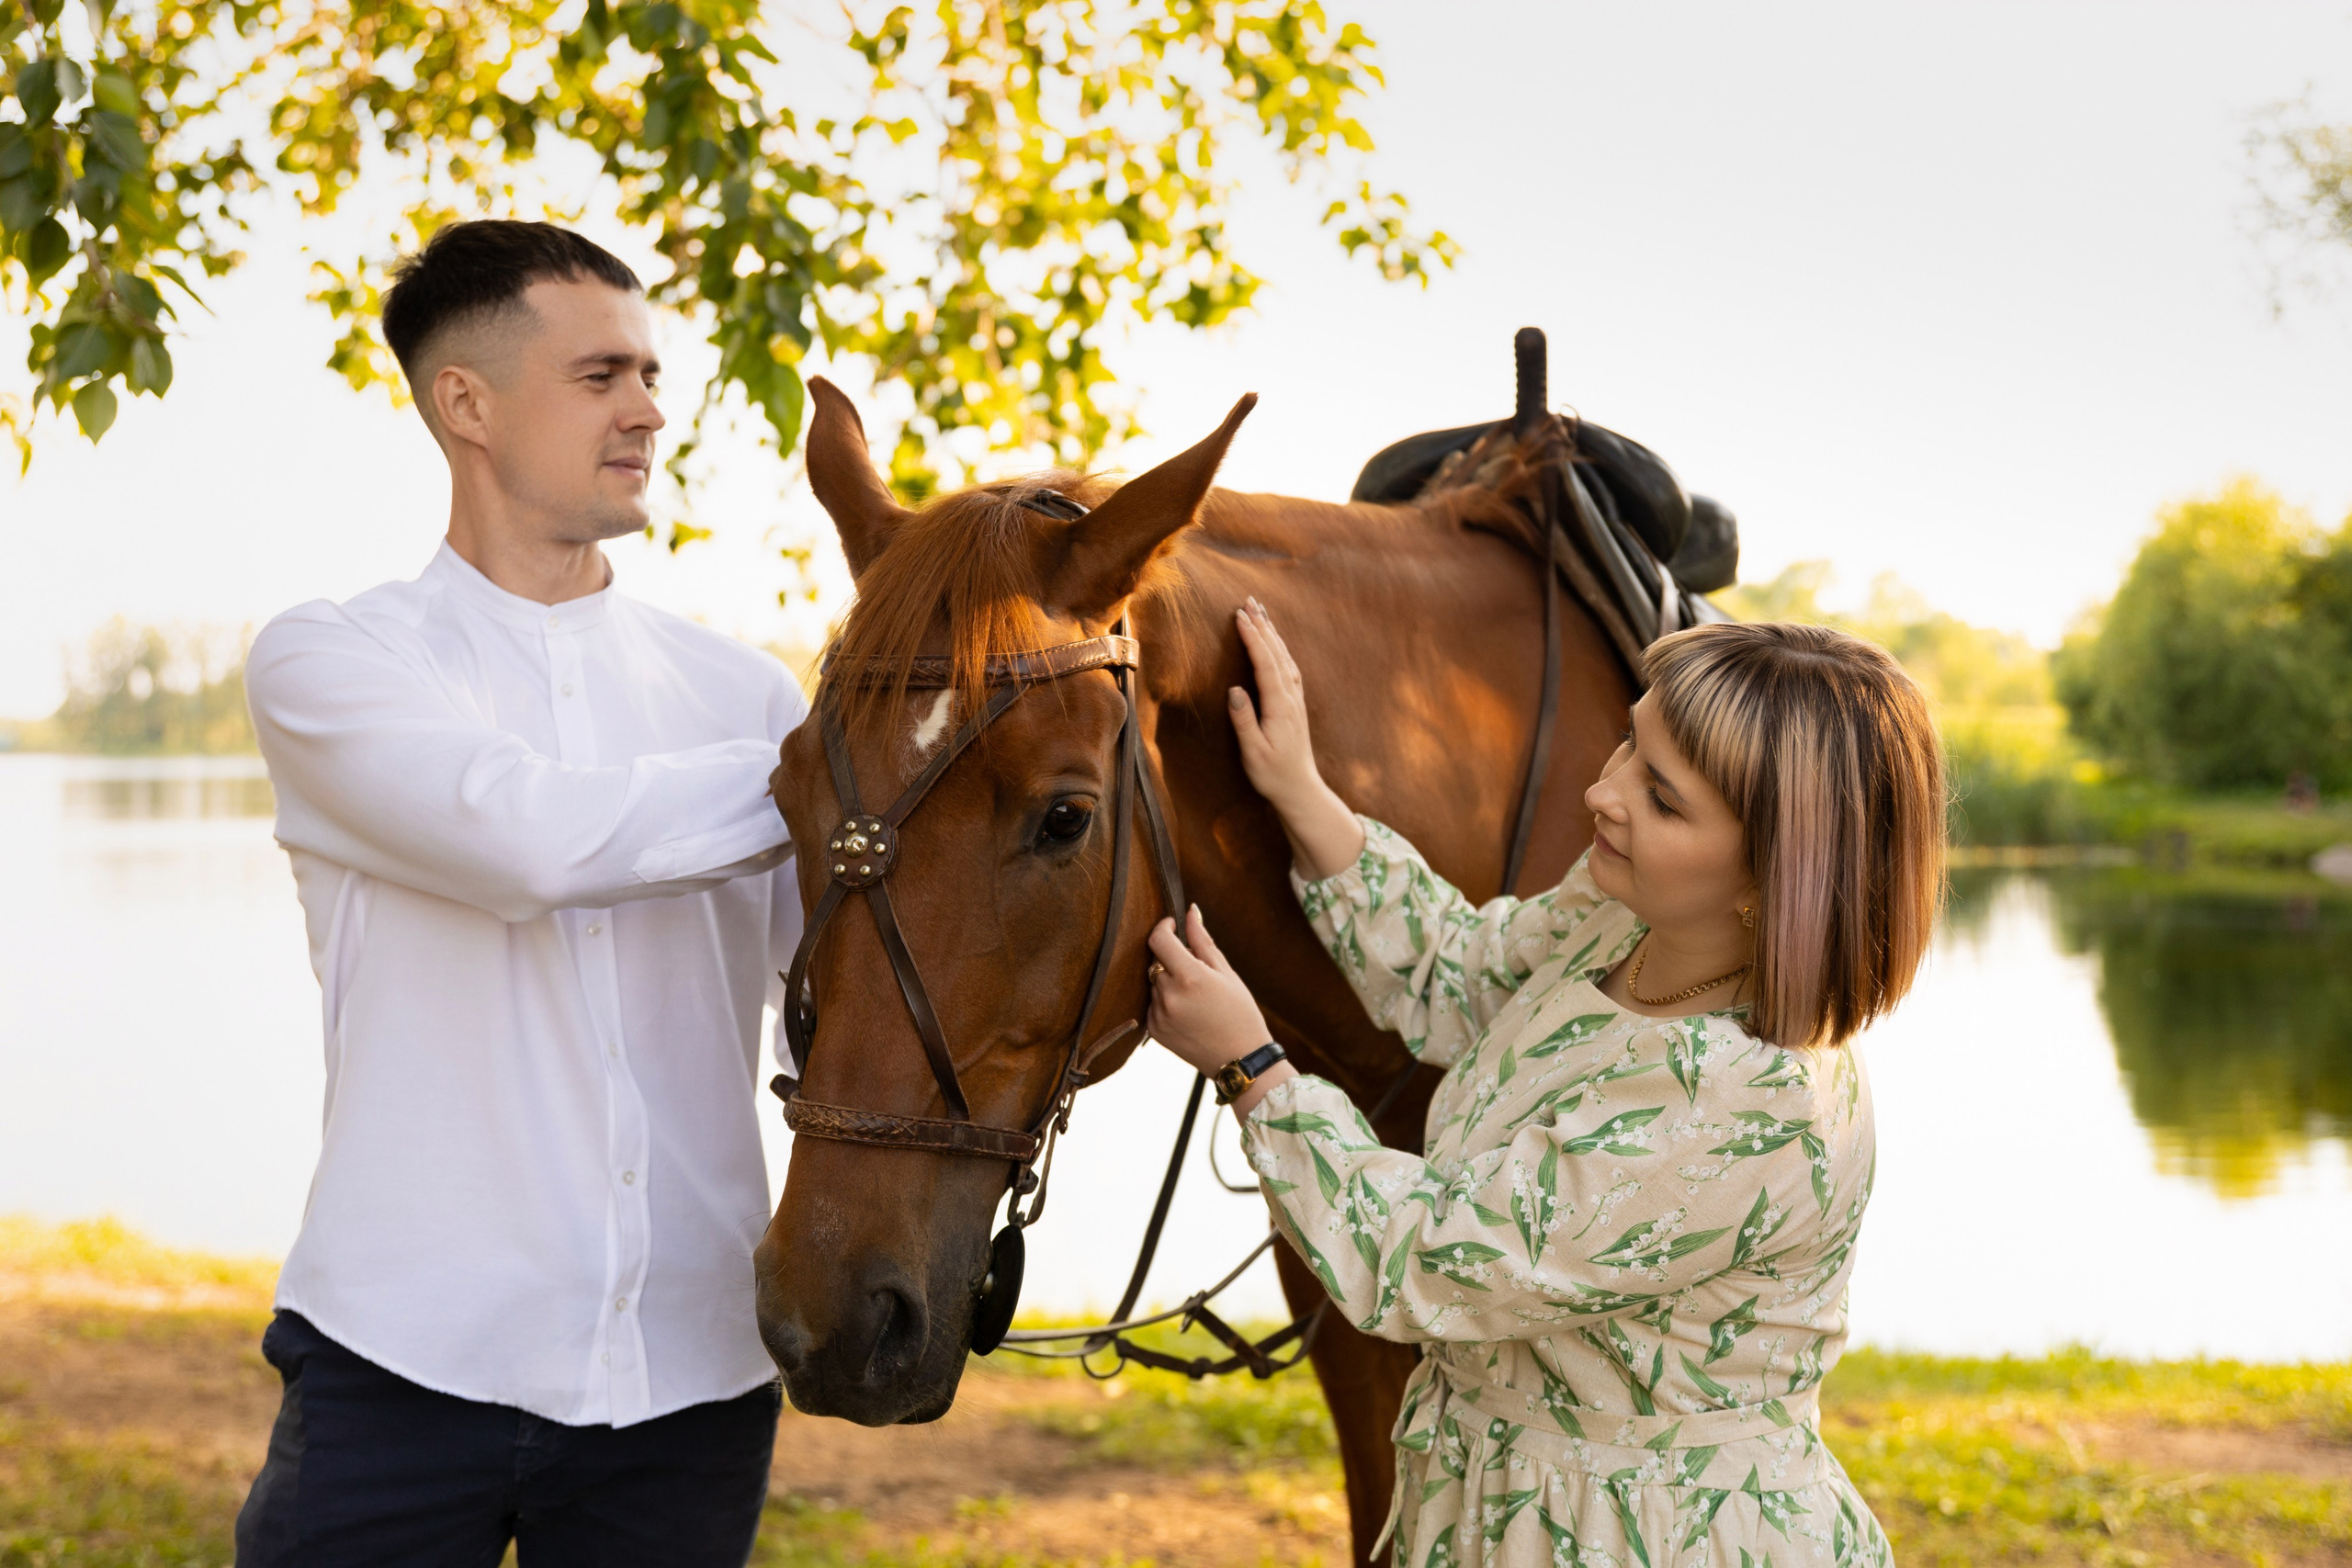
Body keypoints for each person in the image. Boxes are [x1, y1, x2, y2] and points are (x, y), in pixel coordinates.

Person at [1147, 602, 1944, 1568]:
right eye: (1629, 744)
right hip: (1509, 1505)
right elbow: (1462, 971)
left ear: (1769, 879)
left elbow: (1426, 1262)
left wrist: (1253, 1069)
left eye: (1662, 799)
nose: (1603, 793)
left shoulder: (1746, 1103)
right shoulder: (1626, 921)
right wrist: (1300, 792)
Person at [236, 220, 806, 1566]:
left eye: (650, 375)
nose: (648, 411)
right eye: (601, 376)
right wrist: (828, 775)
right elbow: (526, 840)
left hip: (692, 1374)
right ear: (467, 404)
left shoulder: (747, 696)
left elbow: (832, 1000)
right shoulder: (331, 660)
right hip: (400, 1359)